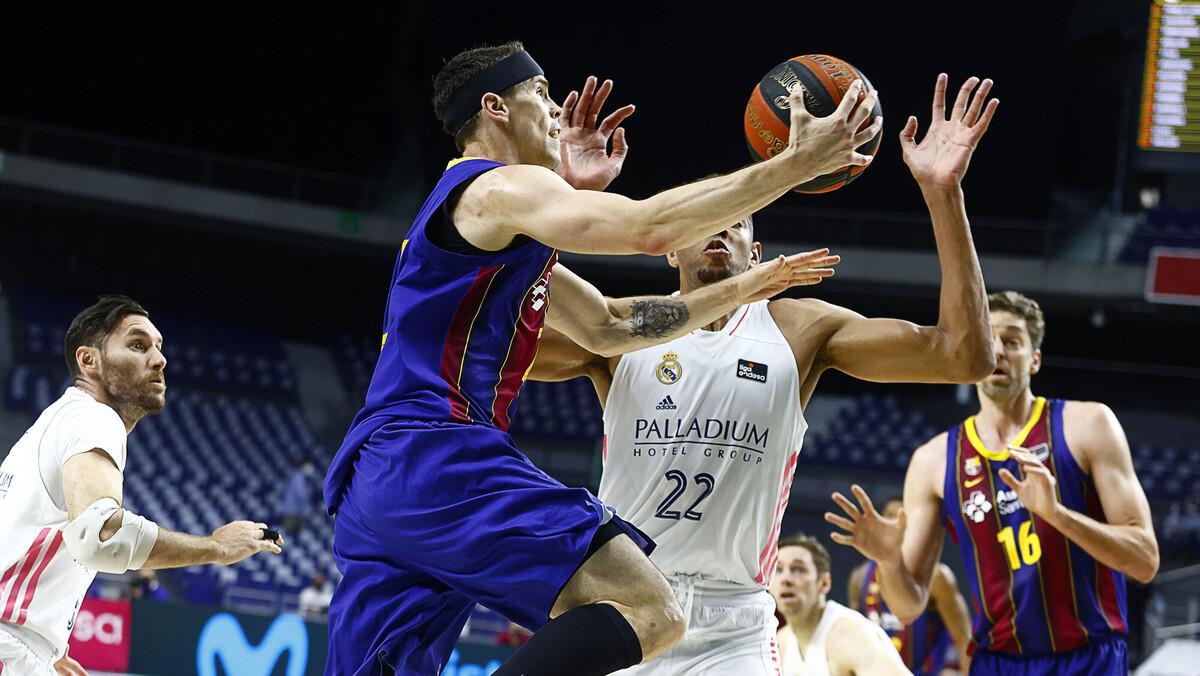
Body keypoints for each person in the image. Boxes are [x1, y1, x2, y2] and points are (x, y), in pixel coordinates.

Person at [322, 39, 879, 676]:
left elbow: (611, 325)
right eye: (541, 95)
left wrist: (745, 288)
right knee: (652, 609)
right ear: (494, 107)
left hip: (380, 478)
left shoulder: (486, 219)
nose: (557, 112)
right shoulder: (496, 187)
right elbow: (650, 231)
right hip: (438, 453)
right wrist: (791, 167)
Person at [529, 73, 998, 674]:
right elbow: (489, 345)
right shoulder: (618, 334)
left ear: (755, 253)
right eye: (702, 219)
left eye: (738, 218)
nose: (720, 227)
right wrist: (565, 202)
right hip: (623, 603)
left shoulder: (798, 330)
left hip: (735, 629)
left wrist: (943, 191)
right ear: (669, 246)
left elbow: (964, 356)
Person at [827, 290, 1160, 674]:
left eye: (1012, 341)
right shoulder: (933, 460)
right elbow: (908, 605)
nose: (998, 351)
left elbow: (1145, 560)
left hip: (1089, 659)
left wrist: (1057, 514)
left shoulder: (1088, 425)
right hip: (998, 664)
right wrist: (888, 562)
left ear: (1034, 359)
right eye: (988, 339)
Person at [0, 295, 282, 675]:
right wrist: (217, 546)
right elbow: (100, 538)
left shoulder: (55, 423)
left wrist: (45, 645)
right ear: (89, 361)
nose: (159, 359)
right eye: (138, 345)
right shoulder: (94, 419)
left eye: (159, 348)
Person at [847, 498, 971, 675]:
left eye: (902, 517)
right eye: (889, 516)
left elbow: (964, 639)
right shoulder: (860, 577)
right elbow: (854, 641)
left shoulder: (937, 577)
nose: (893, 524)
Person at [770, 533, 910, 675]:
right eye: (778, 570)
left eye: (798, 569)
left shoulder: (850, 636)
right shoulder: (780, 642)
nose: (785, 579)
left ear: (824, 583)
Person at [280, 457, 315, 534]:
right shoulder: (298, 476)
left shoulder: (301, 477)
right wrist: (308, 506)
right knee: (290, 533)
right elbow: (301, 494)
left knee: (297, 533)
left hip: (297, 511)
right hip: (292, 511)